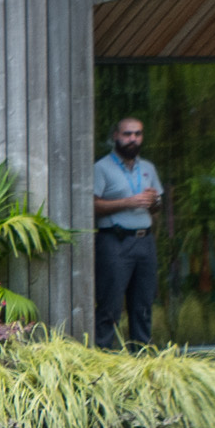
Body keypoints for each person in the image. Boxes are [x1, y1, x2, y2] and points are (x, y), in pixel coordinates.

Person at [93, 116, 162, 347]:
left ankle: (142, 363)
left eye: (138, 134)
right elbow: (92, 207)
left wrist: (153, 201)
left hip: (145, 241)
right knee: (110, 306)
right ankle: (101, 362)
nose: (133, 139)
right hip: (114, 241)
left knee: (143, 306)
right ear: (115, 136)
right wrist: (128, 202)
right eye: (127, 134)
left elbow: (156, 207)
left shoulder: (148, 168)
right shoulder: (101, 168)